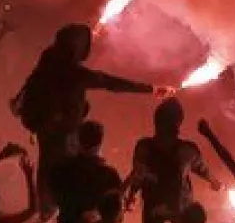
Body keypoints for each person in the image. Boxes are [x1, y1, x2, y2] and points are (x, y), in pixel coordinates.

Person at [11, 23, 154, 211]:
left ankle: (46, 210)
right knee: (66, 175)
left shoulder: (48, 61)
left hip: (46, 129)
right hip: (64, 133)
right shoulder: (74, 73)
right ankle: (59, 211)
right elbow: (108, 82)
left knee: (48, 169)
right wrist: (150, 89)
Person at [125, 93, 220, 223]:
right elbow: (202, 169)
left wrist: (131, 195)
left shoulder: (144, 147)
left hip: (153, 204)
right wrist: (214, 182)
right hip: (180, 204)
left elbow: (138, 174)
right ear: (178, 123)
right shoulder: (187, 150)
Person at [47, 119, 123, 223]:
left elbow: (53, 197)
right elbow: (116, 207)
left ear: (78, 139)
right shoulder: (109, 174)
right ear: (100, 143)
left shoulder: (60, 168)